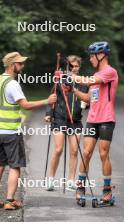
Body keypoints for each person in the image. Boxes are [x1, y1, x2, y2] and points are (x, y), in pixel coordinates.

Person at [0, 51, 57, 210]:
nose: (22, 66)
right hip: (10, 131)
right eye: (20, 63)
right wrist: (48, 100)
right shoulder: (12, 83)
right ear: (12, 65)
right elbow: (25, 105)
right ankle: (10, 201)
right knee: (15, 166)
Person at [72, 42, 119, 202]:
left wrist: (72, 77)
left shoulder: (109, 72)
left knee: (103, 153)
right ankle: (80, 187)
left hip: (106, 119)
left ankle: (107, 190)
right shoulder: (95, 78)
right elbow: (88, 99)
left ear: (102, 56)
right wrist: (73, 89)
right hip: (92, 119)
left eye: (92, 56)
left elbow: (87, 80)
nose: (90, 59)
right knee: (86, 153)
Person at [45, 55, 89, 191]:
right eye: (71, 66)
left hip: (75, 121)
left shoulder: (83, 82)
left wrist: (86, 105)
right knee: (58, 149)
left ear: (79, 67)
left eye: (76, 66)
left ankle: (71, 180)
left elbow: (87, 101)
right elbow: (52, 97)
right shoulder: (60, 79)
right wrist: (48, 114)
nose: (74, 68)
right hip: (59, 117)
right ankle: (50, 179)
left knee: (74, 151)